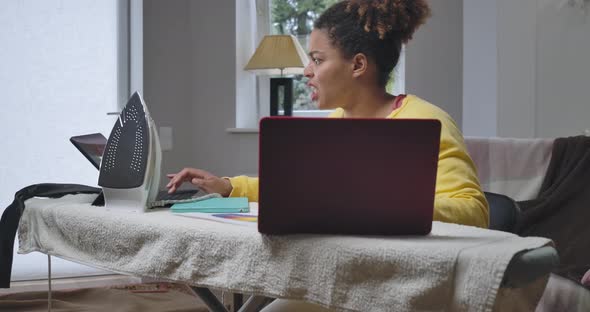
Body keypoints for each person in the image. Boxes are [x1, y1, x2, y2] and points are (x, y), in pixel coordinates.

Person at [167, 0, 489, 229]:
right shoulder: (334, 124)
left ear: (358, 65)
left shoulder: (426, 120)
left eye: (318, 60)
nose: (307, 71)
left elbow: (474, 212)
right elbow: (294, 189)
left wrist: (379, 206)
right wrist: (226, 186)